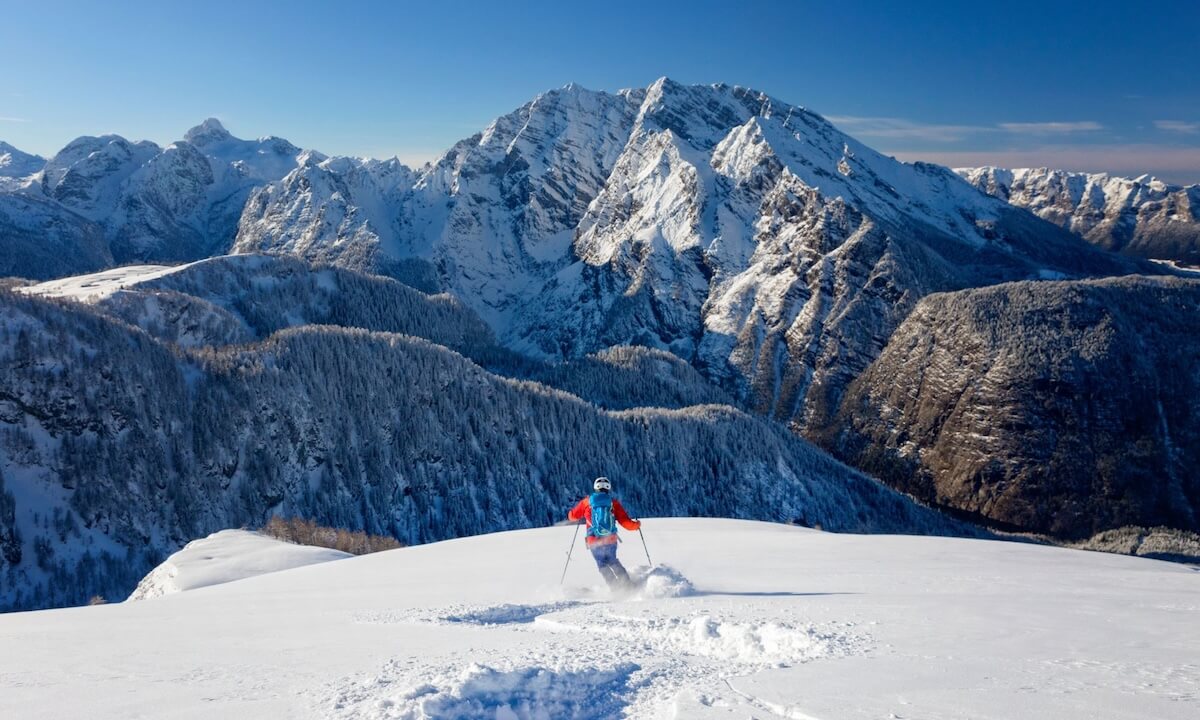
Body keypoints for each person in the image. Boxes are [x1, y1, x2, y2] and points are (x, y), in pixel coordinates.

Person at [567, 476, 641, 590]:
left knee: (602, 565)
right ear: (608, 488)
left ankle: (616, 589)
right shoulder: (613, 503)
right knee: (613, 561)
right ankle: (627, 586)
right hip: (610, 539)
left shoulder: (586, 502)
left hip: (593, 541)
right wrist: (636, 525)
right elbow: (625, 522)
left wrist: (574, 513)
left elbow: (572, 516)